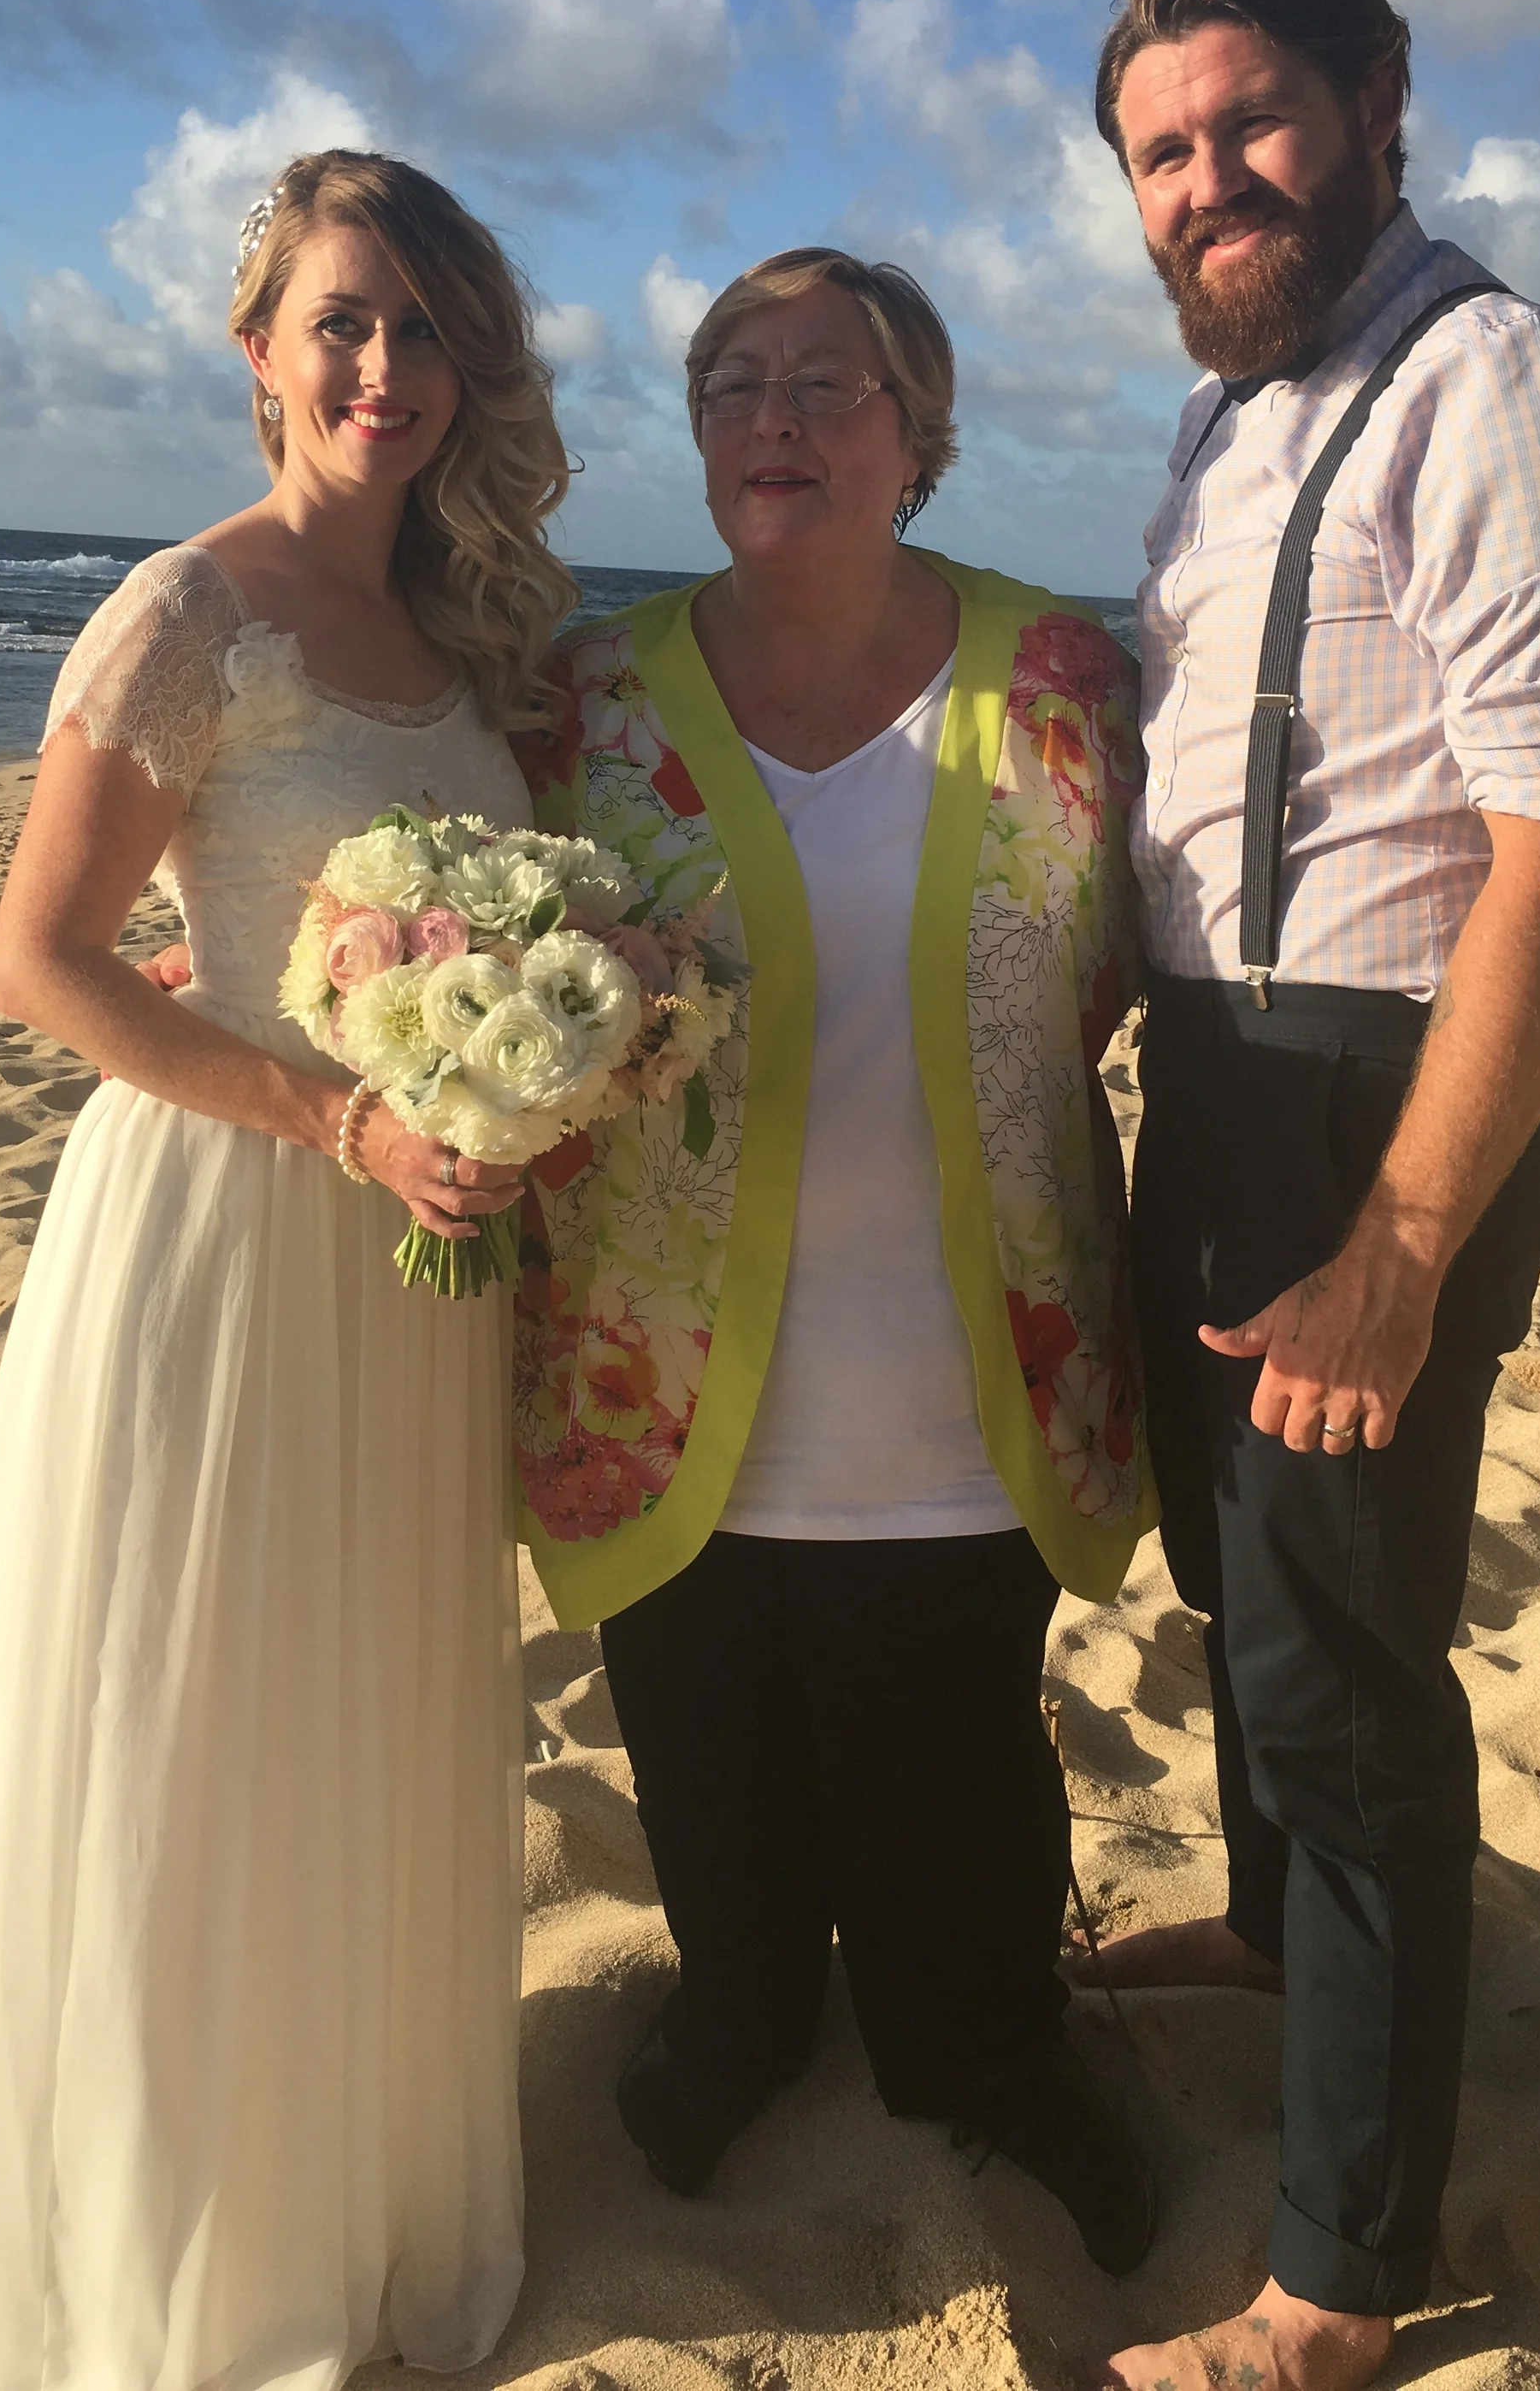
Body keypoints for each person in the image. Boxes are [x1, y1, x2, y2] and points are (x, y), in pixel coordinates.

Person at [0, 151, 575, 2391]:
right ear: (256, 346)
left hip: (402, 1262)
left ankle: (338, 2191)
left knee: (357, 1704)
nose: (384, 366)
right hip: (226, 1222)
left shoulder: (452, 636)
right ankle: (183, 2257)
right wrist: (340, 1115)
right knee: (197, 1725)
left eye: (424, 329)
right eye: (342, 320)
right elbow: (43, 964)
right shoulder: (190, 611)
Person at [1085, 0, 1540, 2387]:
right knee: (1241, 1583)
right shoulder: (1231, 417)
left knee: (1343, 1666)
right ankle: (1259, 1910)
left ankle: (1337, 2264)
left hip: (1374, 1099)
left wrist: (1403, 1234)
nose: (1206, 185)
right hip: (1219, 1073)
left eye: (1247, 125)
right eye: (1156, 156)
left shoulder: (1497, 381)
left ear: (1374, 98)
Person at [509, 246, 1158, 2278]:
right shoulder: (581, 698)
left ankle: (988, 2045)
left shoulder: (1061, 676)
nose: (771, 418)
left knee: (951, 1748)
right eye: (728, 382)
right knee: (701, 1748)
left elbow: (1127, 968)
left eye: (826, 383)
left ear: (918, 434)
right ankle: (741, 2013)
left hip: (966, 1365)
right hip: (654, 1366)